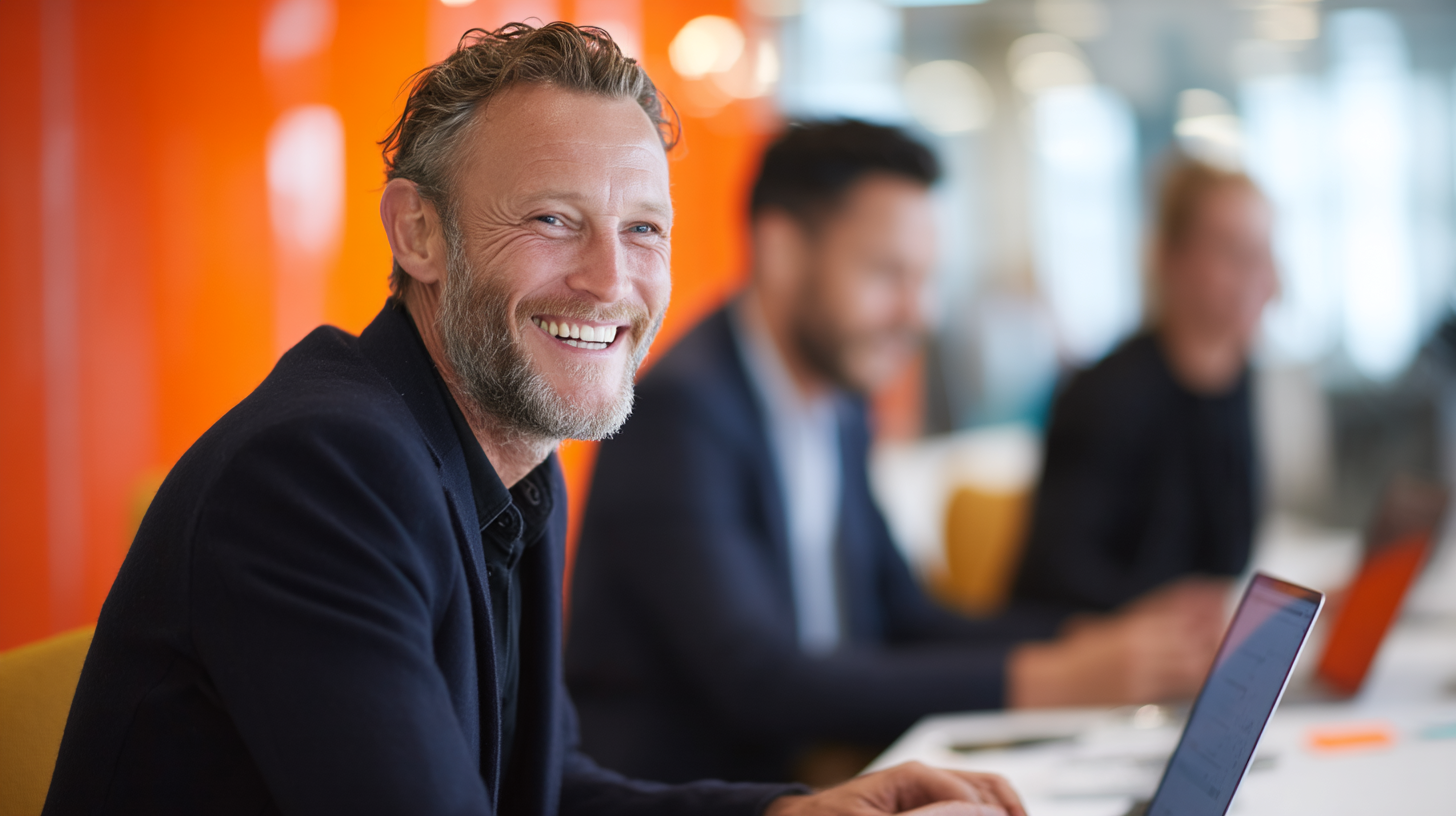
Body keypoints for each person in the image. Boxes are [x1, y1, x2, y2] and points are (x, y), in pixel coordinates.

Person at [43, 25, 1025, 816]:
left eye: (642, 229)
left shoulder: (509, 452)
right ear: (419, 233)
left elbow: (538, 784)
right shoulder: (322, 468)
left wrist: (791, 812)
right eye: (553, 219)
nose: (609, 281)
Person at [565, 121, 1224, 786]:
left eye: (926, 278)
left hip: (824, 774)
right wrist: (1054, 678)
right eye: (888, 274)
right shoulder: (682, 412)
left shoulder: (838, 403)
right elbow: (759, 680)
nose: (920, 312)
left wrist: (1090, 640)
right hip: (690, 792)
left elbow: (902, 616)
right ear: (783, 251)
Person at [1012, 157, 1277, 613]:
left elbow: (1224, 563)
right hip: (1098, 656)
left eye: (1264, 253)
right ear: (1168, 258)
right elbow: (1055, 580)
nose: (1262, 276)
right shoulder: (1104, 396)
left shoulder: (1238, 379)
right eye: (1234, 252)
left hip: (1184, 659)